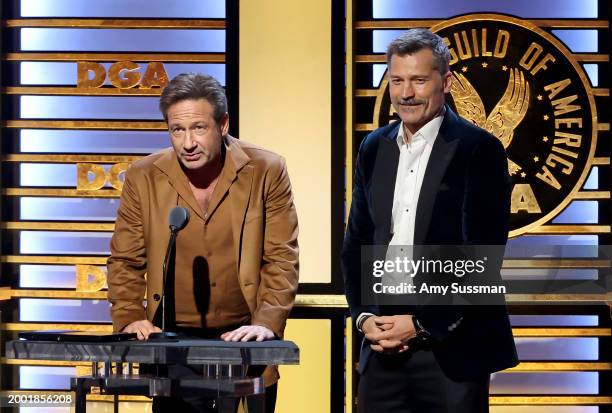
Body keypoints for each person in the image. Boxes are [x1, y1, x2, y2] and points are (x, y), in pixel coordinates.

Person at [341, 29, 518, 412]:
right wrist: (364, 317)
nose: (406, 93)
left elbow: (481, 261)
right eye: (397, 80)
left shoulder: (479, 149)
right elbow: (356, 242)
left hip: (453, 348)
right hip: (382, 345)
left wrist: (420, 324)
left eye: (419, 80)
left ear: (446, 82)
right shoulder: (374, 147)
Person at [107, 73, 299, 413]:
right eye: (177, 130)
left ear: (223, 124)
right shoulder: (144, 176)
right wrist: (129, 317)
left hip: (243, 342)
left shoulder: (266, 169)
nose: (187, 143)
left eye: (198, 128)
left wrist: (266, 324)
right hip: (172, 344)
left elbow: (281, 258)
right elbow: (126, 260)